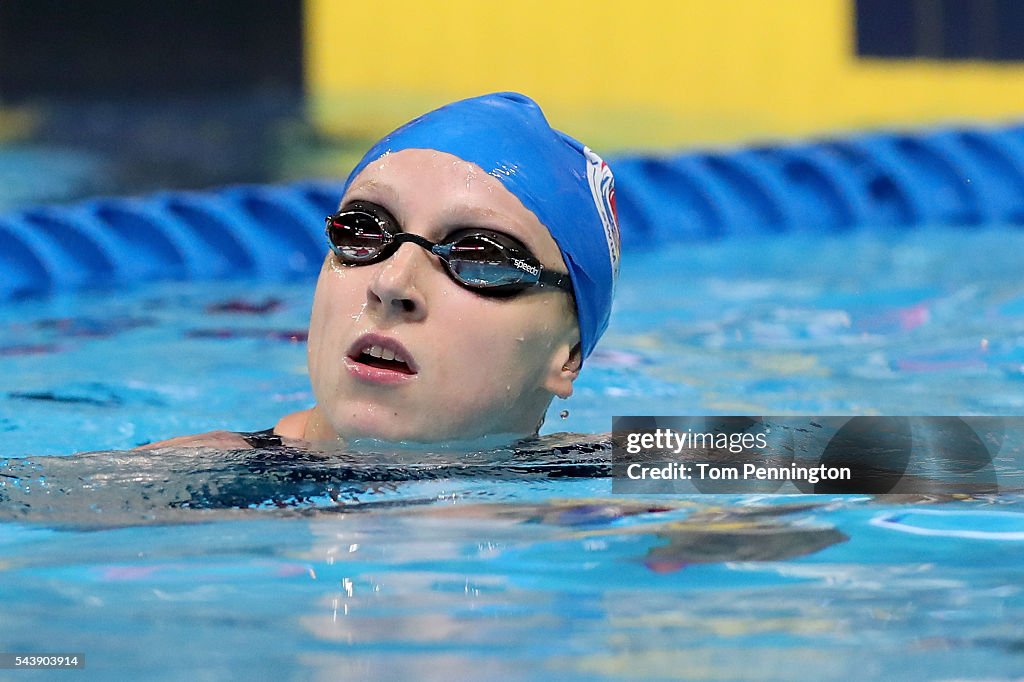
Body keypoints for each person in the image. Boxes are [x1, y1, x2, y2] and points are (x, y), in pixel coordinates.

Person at [140, 92, 620, 450]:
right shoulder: (191, 484)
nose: (390, 284)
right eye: (362, 231)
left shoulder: (609, 473)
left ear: (569, 355)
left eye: (480, 257)